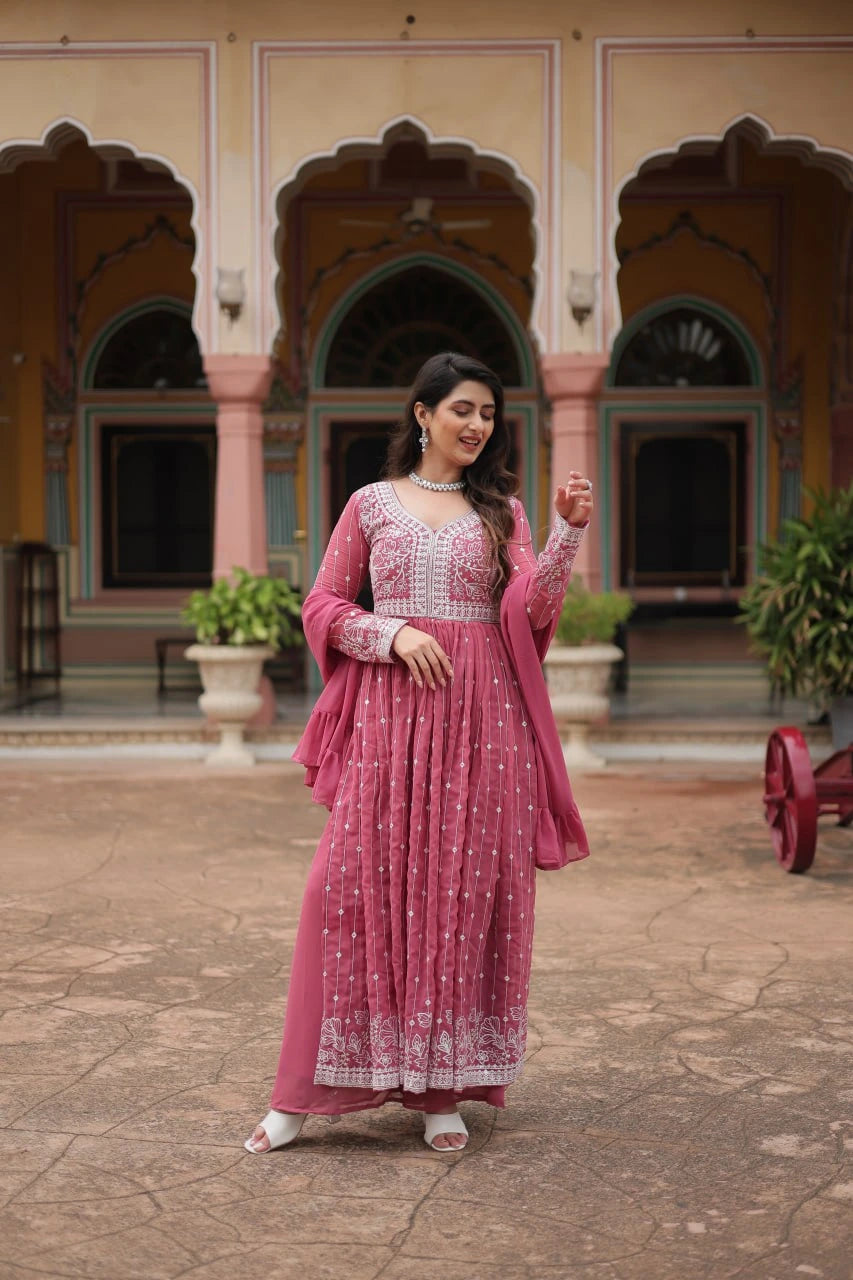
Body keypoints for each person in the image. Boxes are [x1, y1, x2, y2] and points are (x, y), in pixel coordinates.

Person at [245, 351, 593, 1154]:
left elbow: (532, 616)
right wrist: (389, 631)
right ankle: (296, 1097)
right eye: (462, 410)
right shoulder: (370, 505)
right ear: (423, 414)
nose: (477, 426)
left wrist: (566, 533)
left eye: (487, 415)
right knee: (340, 891)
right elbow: (323, 604)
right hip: (389, 722)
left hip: (484, 727)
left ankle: (442, 1095)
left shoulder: (500, 511)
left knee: (459, 900)